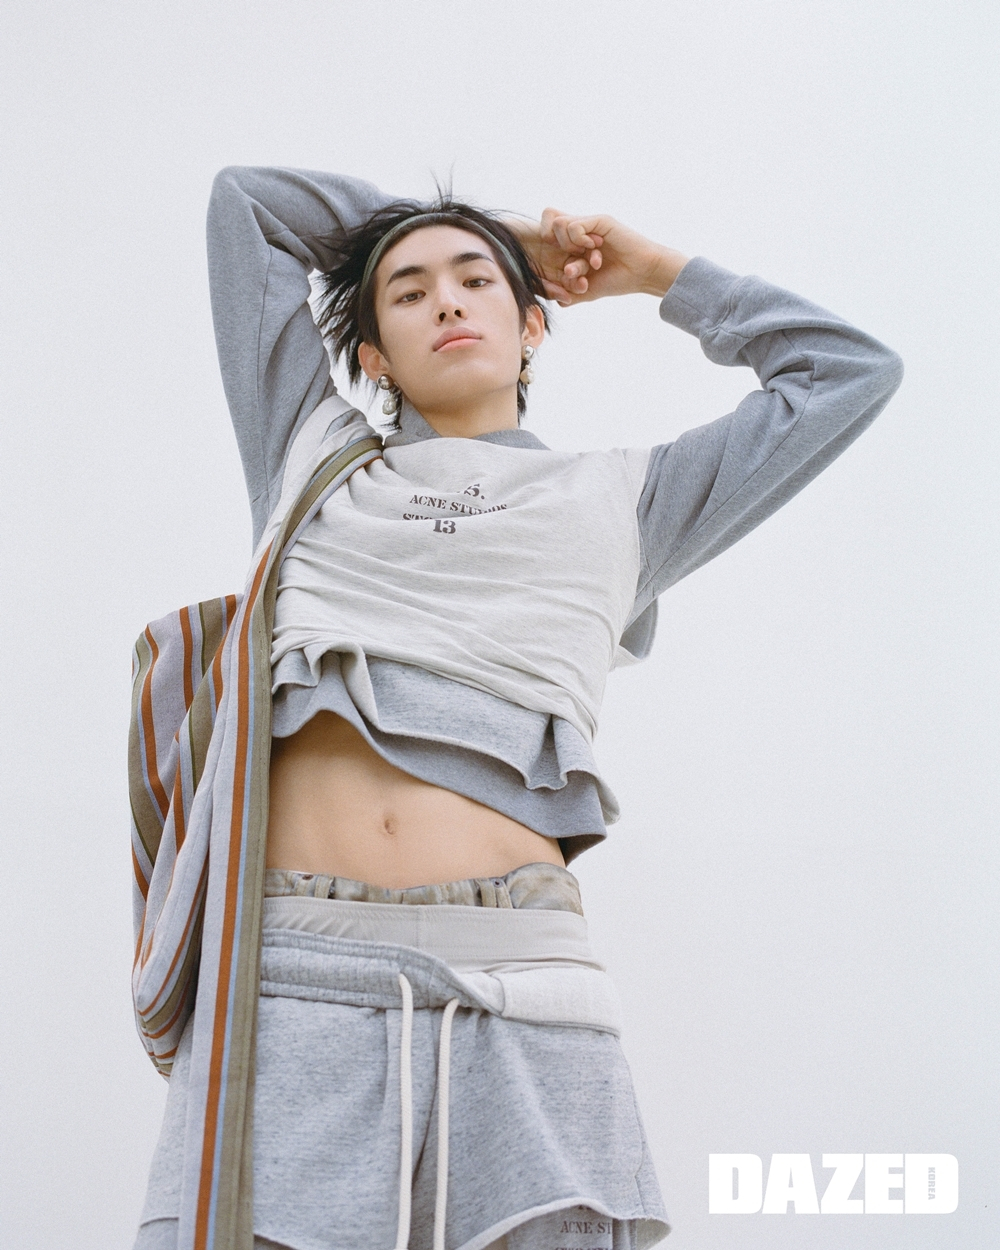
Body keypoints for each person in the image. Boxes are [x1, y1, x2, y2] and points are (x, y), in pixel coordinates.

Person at [130, 166, 903, 1250]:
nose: (446, 301)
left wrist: (656, 273)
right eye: (408, 292)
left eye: (475, 280)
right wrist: (503, 234)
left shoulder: (631, 499)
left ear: (533, 325)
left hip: (522, 981)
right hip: (298, 973)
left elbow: (848, 371)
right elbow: (245, 206)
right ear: (370, 356)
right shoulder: (308, 456)